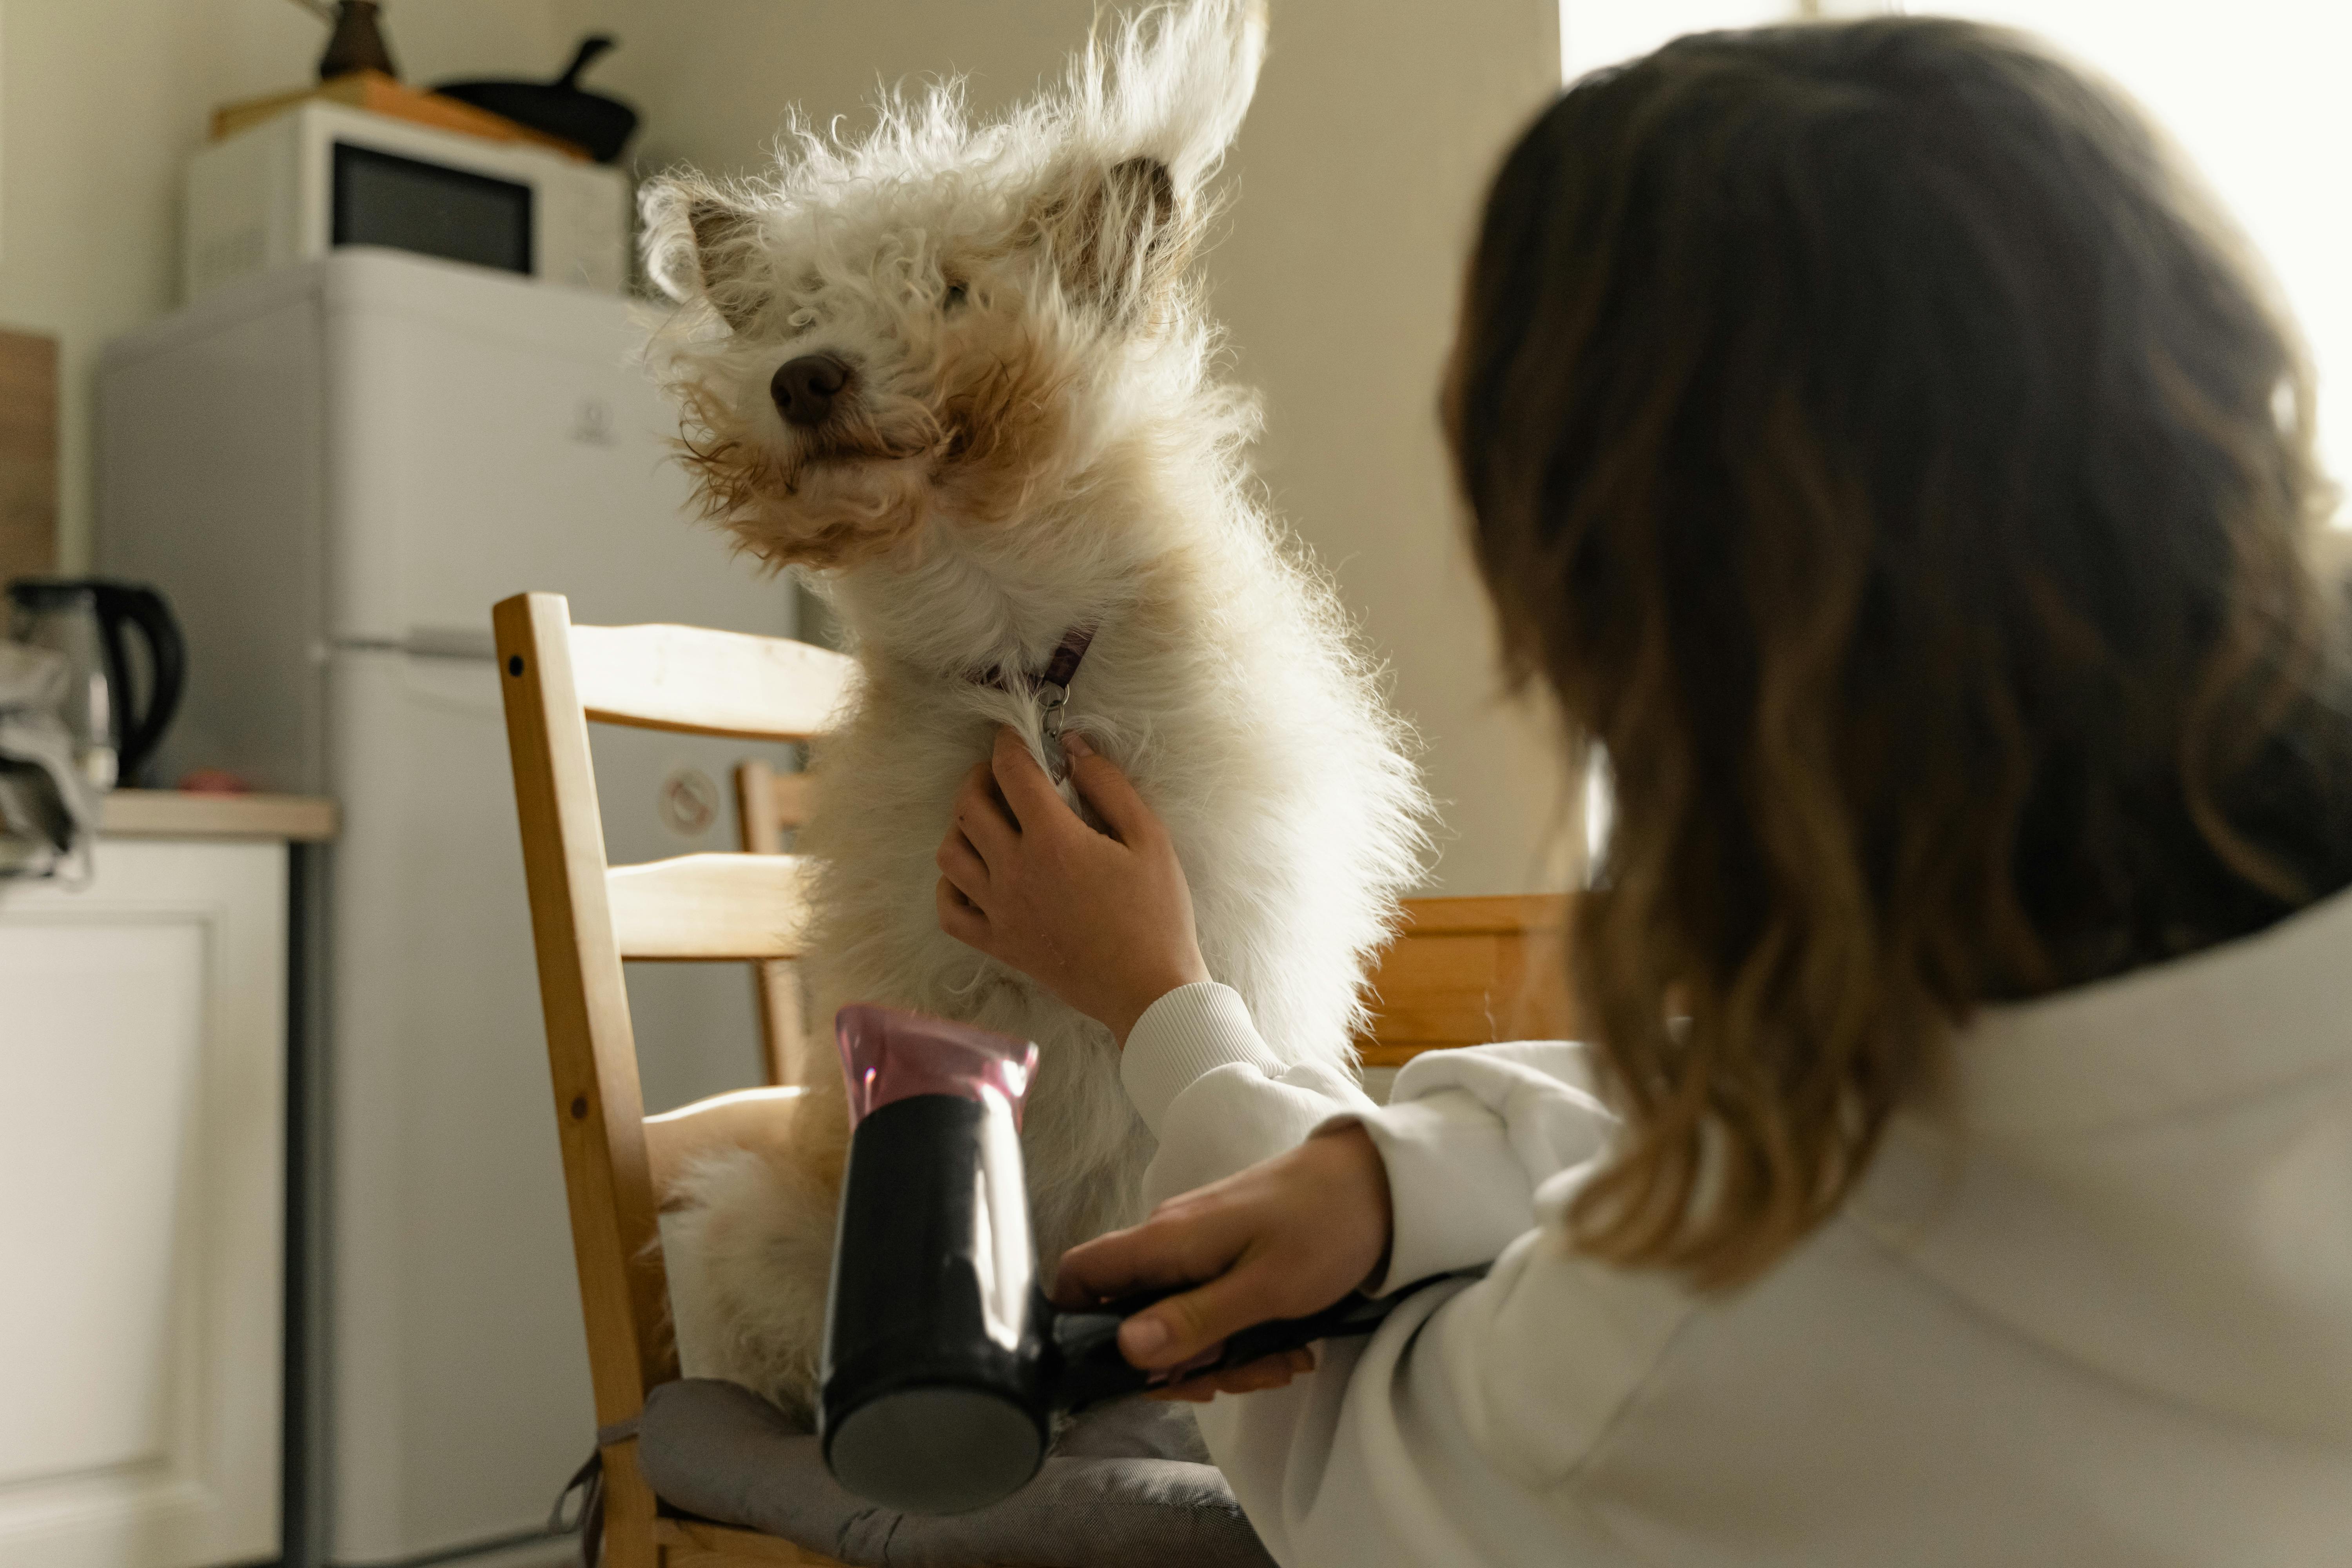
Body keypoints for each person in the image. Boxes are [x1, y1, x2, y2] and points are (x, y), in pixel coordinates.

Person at [932, 16, 2352, 1565]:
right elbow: (1882, 1086)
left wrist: (1169, 1014)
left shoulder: (1706, 1345)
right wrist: (1412, 1171)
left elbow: (1370, 1465)